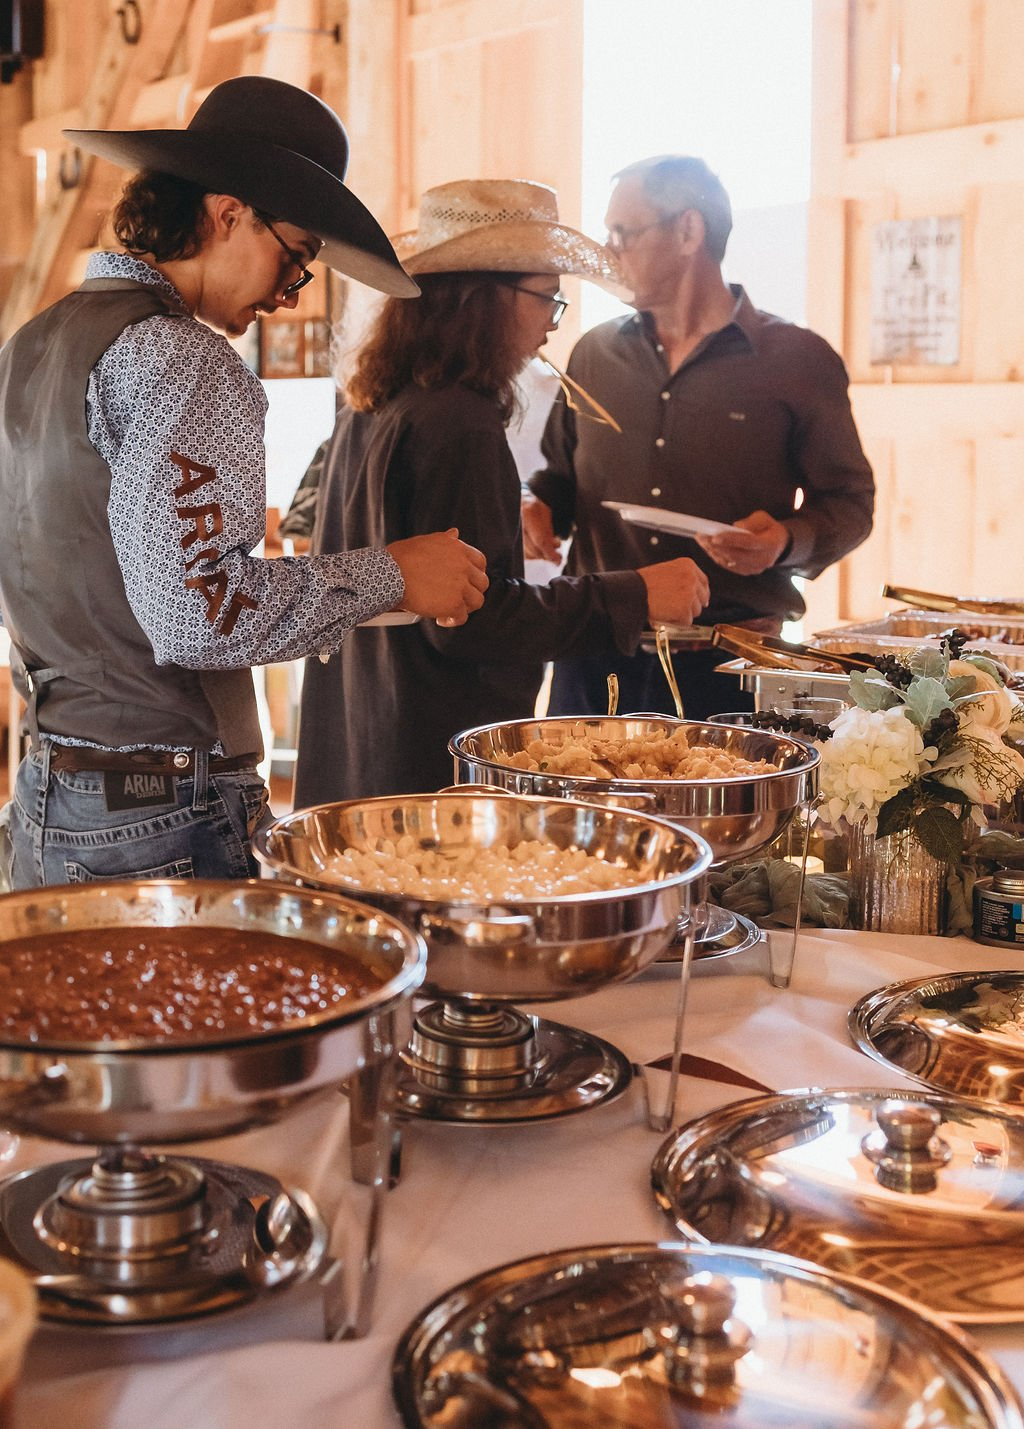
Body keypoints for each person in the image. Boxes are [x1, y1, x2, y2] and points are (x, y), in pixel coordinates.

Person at [0, 76, 489, 889]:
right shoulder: (186, 360)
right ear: (228, 213)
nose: (289, 295)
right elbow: (198, 618)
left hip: (48, 798)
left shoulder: (28, 346)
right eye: (293, 258)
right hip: (162, 812)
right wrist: (395, 570)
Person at [293, 178, 710, 805]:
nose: (551, 321)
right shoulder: (458, 419)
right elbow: (473, 622)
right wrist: (637, 595)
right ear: (482, 299)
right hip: (431, 766)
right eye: (546, 298)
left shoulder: (376, 399)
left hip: (363, 743)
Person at [523, 154, 875, 721]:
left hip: (729, 673)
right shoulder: (593, 353)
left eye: (622, 233)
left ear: (688, 230)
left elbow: (852, 504)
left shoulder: (798, 360)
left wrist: (782, 541)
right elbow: (560, 479)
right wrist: (538, 510)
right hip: (593, 659)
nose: (608, 251)